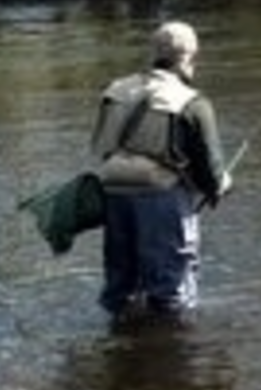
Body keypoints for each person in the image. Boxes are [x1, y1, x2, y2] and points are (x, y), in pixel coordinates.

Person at [89, 20, 231, 324]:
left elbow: (101, 147)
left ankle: (121, 348)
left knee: (121, 286)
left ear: (154, 53)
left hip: (113, 192)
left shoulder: (116, 90)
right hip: (161, 198)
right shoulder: (192, 103)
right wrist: (220, 186)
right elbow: (211, 172)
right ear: (190, 58)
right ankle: (174, 356)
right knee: (171, 291)